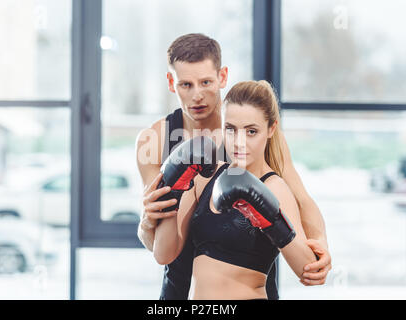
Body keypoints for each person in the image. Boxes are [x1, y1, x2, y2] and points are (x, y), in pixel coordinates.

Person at [136, 33, 331, 300]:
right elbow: (155, 239)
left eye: (206, 82)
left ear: (222, 77)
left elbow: (299, 198)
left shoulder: (256, 133)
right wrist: (147, 222)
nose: (197, 95)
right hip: (180, 289)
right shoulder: (157, 140)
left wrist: (319, 243)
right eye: (186, 85)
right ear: (172, 83)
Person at [153, 80, 319, 299]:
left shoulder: (275, 188)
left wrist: (274, 222)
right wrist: (172, 191)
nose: (239, 142)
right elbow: (164, 254)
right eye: (231, 130)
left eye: (251, 131)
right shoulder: (205, 177)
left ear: (271, 129)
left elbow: (307, 270)